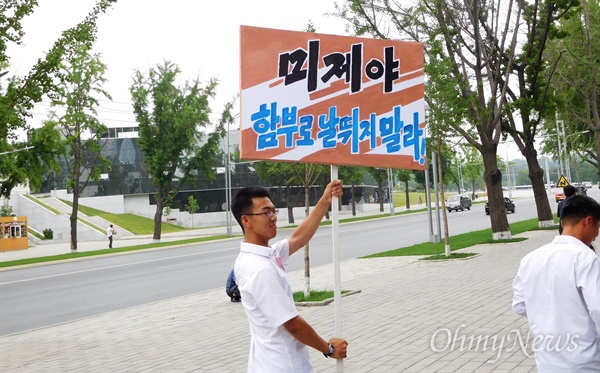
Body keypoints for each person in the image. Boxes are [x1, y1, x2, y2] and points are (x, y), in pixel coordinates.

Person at [232, 180, 348, 372]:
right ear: (246, 220)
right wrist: (328, 349)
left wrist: (325, 200)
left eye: (274, 210)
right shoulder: (260, 269)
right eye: (266, 212)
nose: (274, 217)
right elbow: (292, 324)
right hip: (283, 365)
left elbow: (298, 238)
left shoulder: (261, 255)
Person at [512, 195, 600, 372]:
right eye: (598, 226)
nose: (597, 234)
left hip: (547, 359)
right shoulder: (585, 259)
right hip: (583, 361)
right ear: (588, 221)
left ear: (562, 223)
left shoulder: (530, 259)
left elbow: (520, 305)